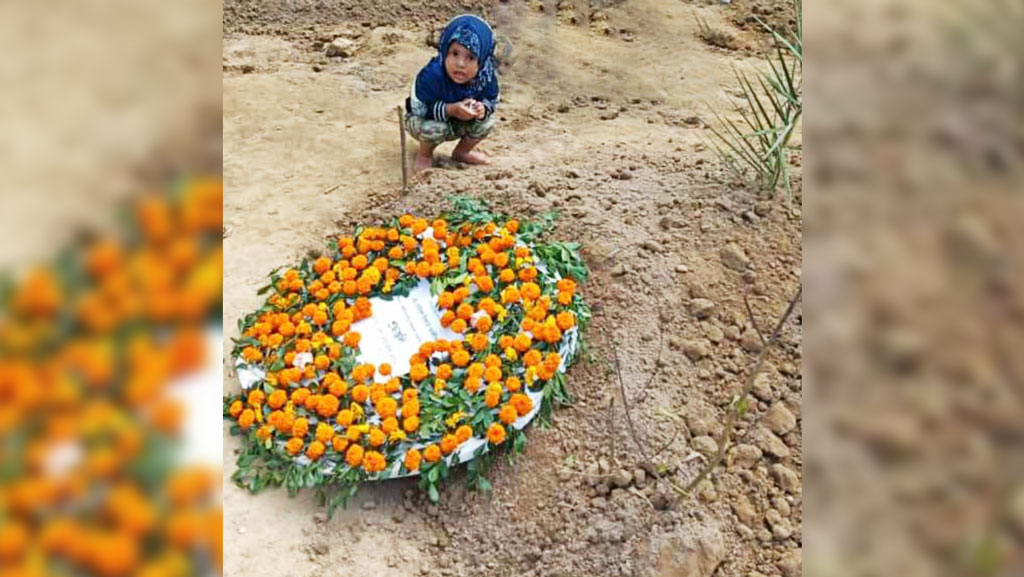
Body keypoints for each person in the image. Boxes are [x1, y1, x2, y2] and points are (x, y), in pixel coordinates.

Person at [404, 14, 500, 173]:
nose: (460, 64)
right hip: (425, 121)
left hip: (459, 123)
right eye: (454, 53)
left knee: (487, 122)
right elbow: (417, 108)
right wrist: (451, 109)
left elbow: (492, 100)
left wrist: (482, 108)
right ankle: (424, 155)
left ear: (481, 60)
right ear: (445, 50)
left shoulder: (486, 77)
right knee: (434, 128)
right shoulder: (433, 74)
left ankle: (462, 152)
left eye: (470, 57)